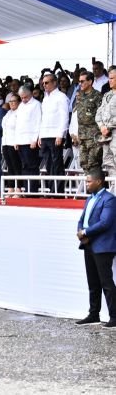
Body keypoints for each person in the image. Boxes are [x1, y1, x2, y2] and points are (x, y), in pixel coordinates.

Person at [76, 168, 116, 328]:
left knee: (106, 282)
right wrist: (80, 231)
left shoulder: (109, 199)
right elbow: (82, 219)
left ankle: (114, 316)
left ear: (99, 181)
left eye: (89, 181)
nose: (86, 184)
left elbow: (105, 223)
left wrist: (85, 231)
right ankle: (94, 314)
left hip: (103, 245)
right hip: (88, 244)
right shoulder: (89, 199)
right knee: (93, 282)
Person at [74, 71, 103, 173]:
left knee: (93, 163)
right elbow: (75, 115)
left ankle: (97, 187)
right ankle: (89, 187)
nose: (80, 83)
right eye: (79, 81)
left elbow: (102, 115)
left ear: (90, 81)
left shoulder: (97, 96)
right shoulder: (79, 96)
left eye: (82, 81)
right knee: (84, 163)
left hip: (93, 136)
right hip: (82, 136)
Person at [95, 68, 116, 179]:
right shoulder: (107, 95)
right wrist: (101, 126)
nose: (109, 81)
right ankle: (114, 193)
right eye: (109, 78)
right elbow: (99, 113)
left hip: (114, 132)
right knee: (109, 164)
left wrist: (108, 126)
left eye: (112, 78)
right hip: (106, 136)